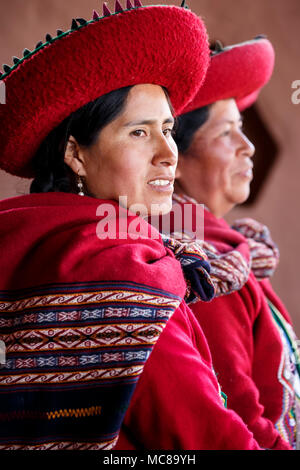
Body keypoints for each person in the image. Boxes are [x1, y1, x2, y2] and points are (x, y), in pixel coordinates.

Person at [0, 1, 262, 451]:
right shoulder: (126, 271)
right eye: (139, 133)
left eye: (168, 128)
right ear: (75, 154)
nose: (167, 153)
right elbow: (204, 436)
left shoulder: (28, 244)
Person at [168, 37, 299, 450]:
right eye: (228, 133)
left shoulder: (235, 252)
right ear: (172, 160)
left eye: (242, 129)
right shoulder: (205, 267)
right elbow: (238, 416)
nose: (249, 147)